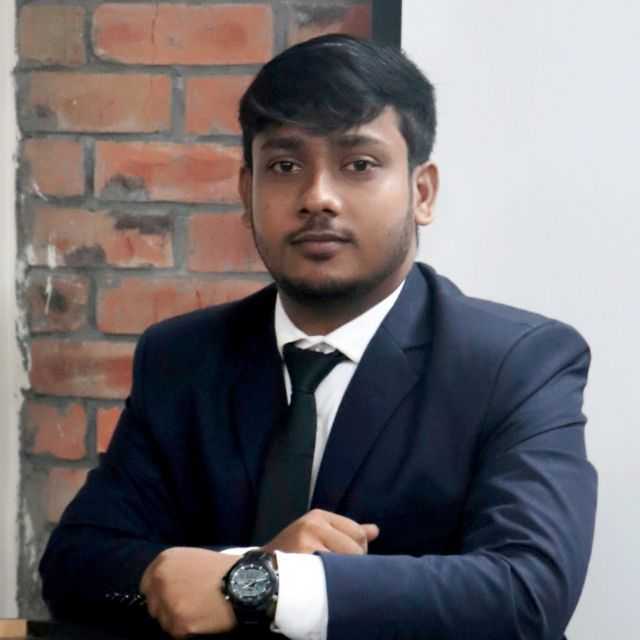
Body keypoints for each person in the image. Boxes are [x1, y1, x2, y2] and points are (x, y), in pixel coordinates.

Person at [40, 34, 597, 640]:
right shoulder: (182, 358)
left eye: (359, 165)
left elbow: (528, 593)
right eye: (285, 166)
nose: (317, 198)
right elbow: (75, 566)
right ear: (246, 194)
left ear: (422, 192)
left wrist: (272, 585)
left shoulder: (516, 362)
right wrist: (248, 569)